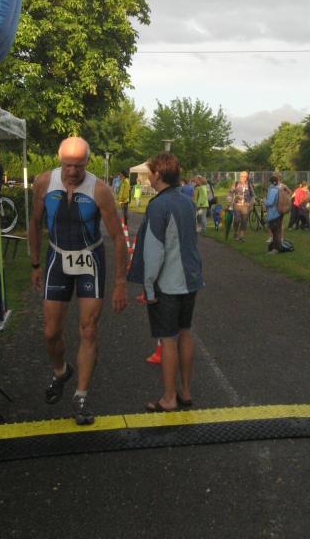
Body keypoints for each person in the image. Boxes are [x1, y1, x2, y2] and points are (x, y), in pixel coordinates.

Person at [29, 137, 128, 425]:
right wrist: (35, 263)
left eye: (79, 166)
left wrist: (120, 282)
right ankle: (61, 371)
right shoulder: (44, 182)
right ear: (59, 160)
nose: (72, 171)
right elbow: (34, 222)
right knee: (51, 332)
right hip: (57, 258)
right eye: (67, 165)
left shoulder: (99, 190)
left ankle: (81, 396)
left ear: (87, 162)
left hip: (89, 260)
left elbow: (118, 237)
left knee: (88, 330)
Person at [128, 152, 203, 412]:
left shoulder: (158, 206)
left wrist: (148, 288)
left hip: (168, 283)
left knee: (168, 339)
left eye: (150, 172)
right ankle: (185, 392)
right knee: (185, 332)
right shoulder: (187, 202)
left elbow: (154, 251)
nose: (148, 176)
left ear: (158, 174)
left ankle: (169, 398)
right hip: (190, 280)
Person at [230, 171, 254, 242]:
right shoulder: (235, 184)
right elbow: (230, 193)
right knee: (237, 220)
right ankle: (235, 233)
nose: (244, 178)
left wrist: (250, 203)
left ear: (247, 177)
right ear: (240, 177)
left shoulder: (249, 185)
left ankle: (241, 237)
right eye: (242, 176)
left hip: (245, 206)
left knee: (244, 221)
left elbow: (253, 195)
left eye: (245, 176)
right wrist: (230, 201)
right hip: (237, 205)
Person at [264, 174, 282, 253]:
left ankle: (276, 249)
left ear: (272, 182)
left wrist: (264, 201)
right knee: (276, 231)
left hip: (274, 214)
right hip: (277, 213)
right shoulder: (278, 189)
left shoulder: (273, 190)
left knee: (275, 232)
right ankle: (276, 247)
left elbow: (270, 202)